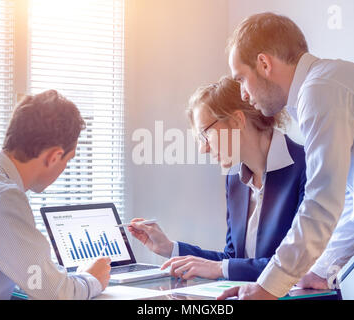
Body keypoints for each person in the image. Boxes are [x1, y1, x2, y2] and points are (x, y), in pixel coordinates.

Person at [219, 12, 354, 300]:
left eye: (242, 79)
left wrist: (269, 286)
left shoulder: (319, 90)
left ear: (264, 63)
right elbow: (350, 202)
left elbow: (321, 202)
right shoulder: (331, 82)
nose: (244, 95)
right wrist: (321, 271)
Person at [128, 76, 307, 282]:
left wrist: (221, 268)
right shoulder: (235, 179)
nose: (203, 148)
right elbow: (233, 260)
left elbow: (299, 266)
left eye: (205, 134)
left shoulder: (307, 167)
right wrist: (170, 248)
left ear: (237, 120)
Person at [0, 90, 111, 299]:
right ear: (54, 156)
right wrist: (91, 278)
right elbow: (57, 294)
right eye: (68, 160)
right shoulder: (0, 196)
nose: (65, 167)